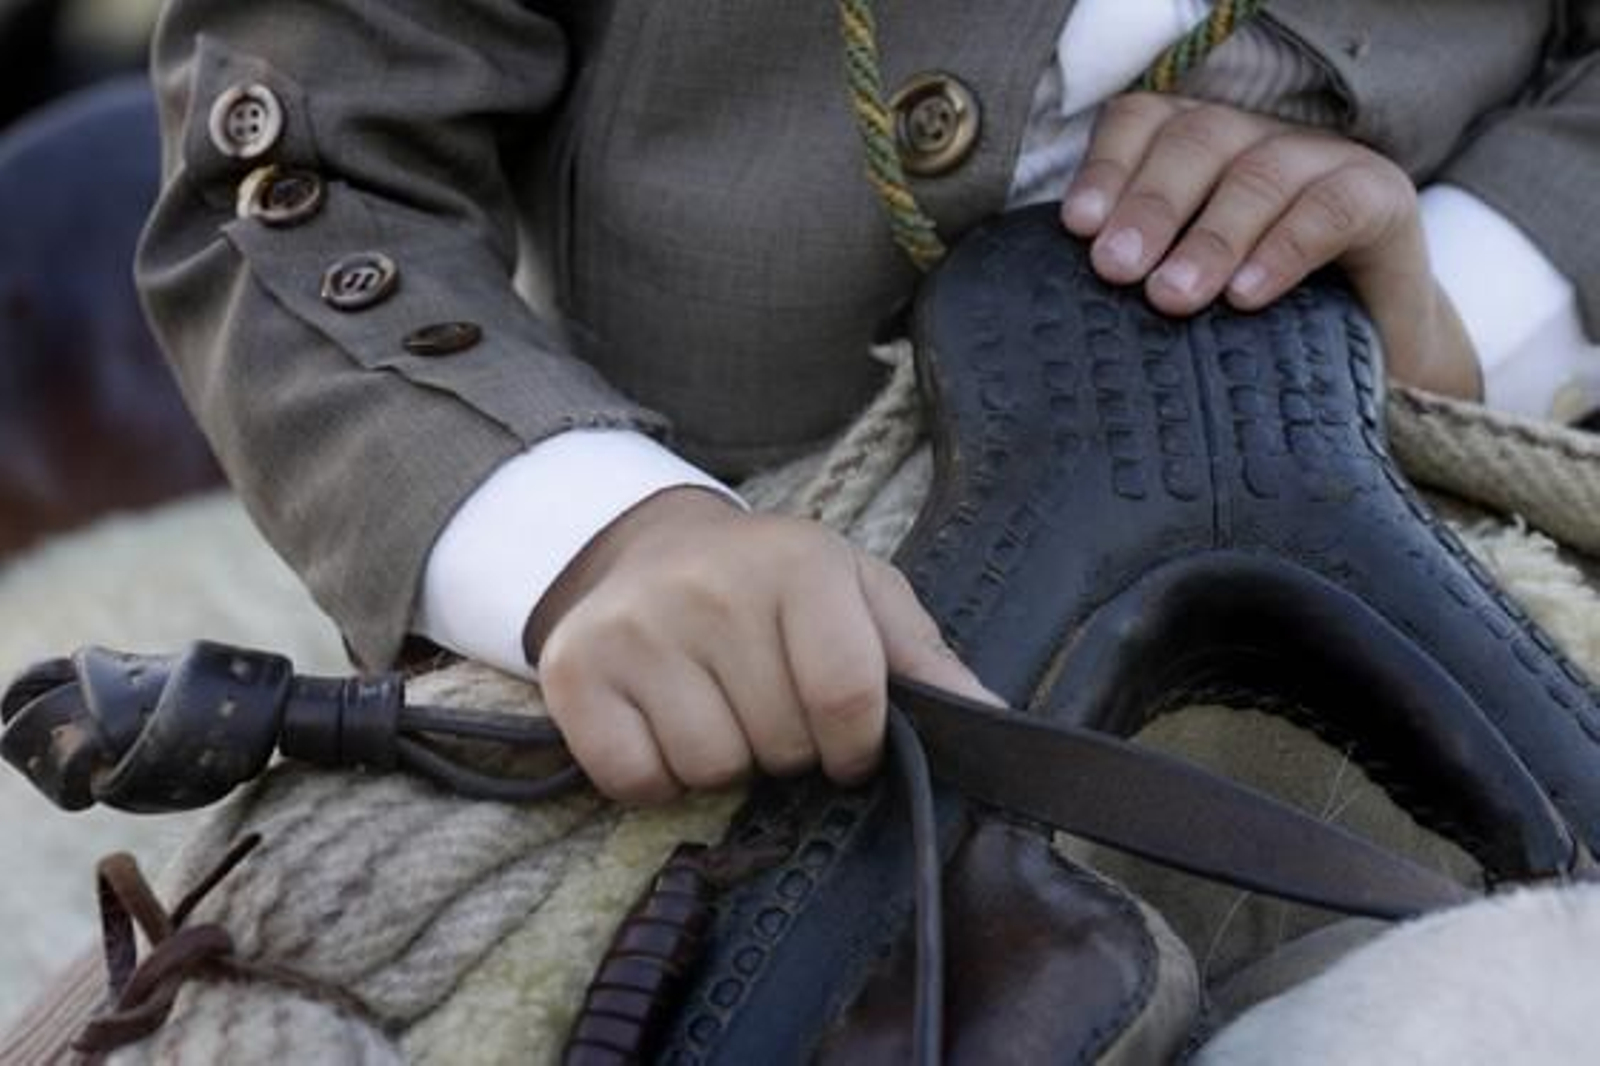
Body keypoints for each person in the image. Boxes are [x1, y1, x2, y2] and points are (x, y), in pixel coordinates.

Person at [137, 0, 1600, 804]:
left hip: (1443, 457)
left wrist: (1465, 303)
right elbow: (305, 173)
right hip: (704, 542)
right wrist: (597, 537)